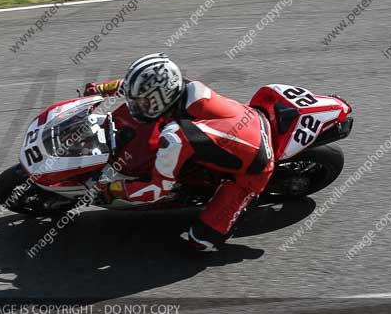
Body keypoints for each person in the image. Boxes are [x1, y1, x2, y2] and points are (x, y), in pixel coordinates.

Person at [83, 53, 274, 252]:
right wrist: (99, 89)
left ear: (161, 99)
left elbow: (155, 191)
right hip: (248, 119)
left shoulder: (177, 136)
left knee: (200, 242)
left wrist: (111, 189)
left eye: (143, 103)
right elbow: (135, 86)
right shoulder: (183, 87)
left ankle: (240, 200)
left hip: (255, 167)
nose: (135, 107)